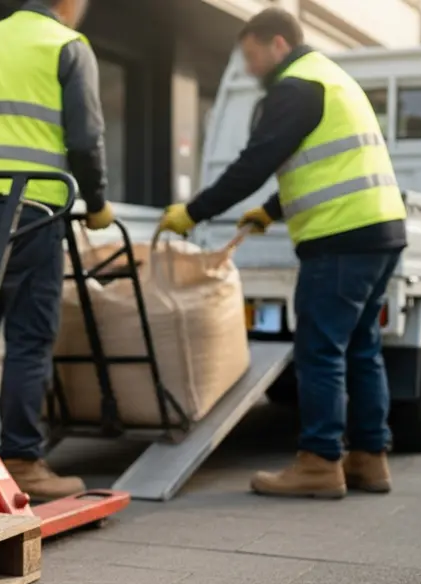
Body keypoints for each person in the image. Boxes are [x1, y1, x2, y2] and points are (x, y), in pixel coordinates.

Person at [156, 8, 406, 499]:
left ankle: (319, 461)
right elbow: (325, 162)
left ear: (278, 44)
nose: (250, 68)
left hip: (340, 239)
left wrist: (194, 211)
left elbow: (255, 162)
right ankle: (369, 459)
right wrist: (271, 211)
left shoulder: (294, 87)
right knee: (360, 348)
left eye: (252, 56)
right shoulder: (331, 79)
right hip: (380, 231)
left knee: (319, 349)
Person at [0, 0, 112, 500]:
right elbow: (86, 140)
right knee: (29, 334)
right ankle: (21, 457)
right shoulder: (67, 46)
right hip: (31, 210)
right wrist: (97, 201)